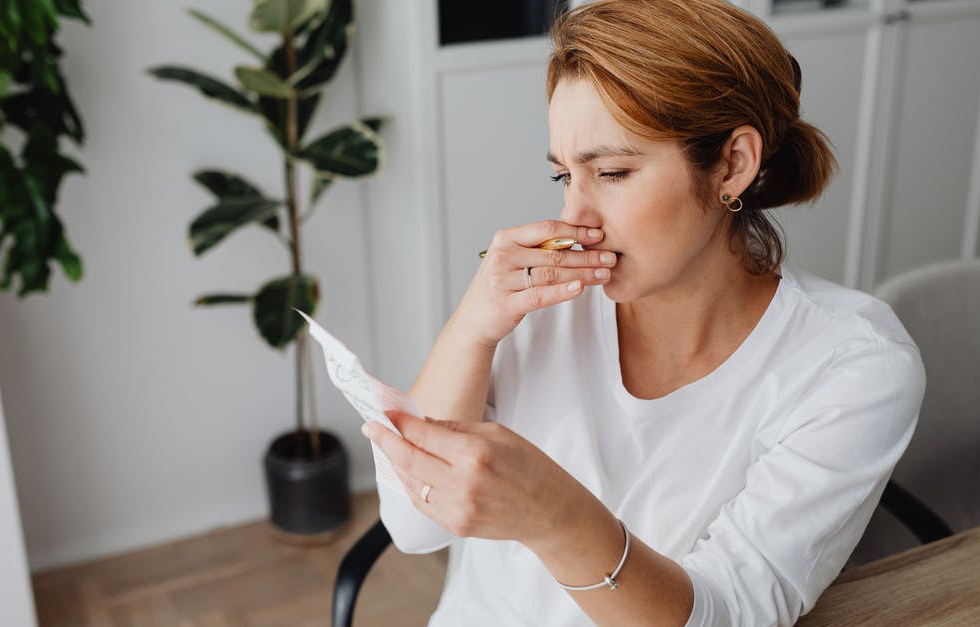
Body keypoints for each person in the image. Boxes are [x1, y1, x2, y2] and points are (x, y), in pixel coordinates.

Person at [360, 0, 926, 625]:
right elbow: (415, 527)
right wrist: (470, 330)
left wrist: (557, 518)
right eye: (563, 177)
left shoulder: (853, 366)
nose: (576, 218)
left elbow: (731, 613)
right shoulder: (540, 304)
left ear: (733, 165)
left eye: (612, 171)